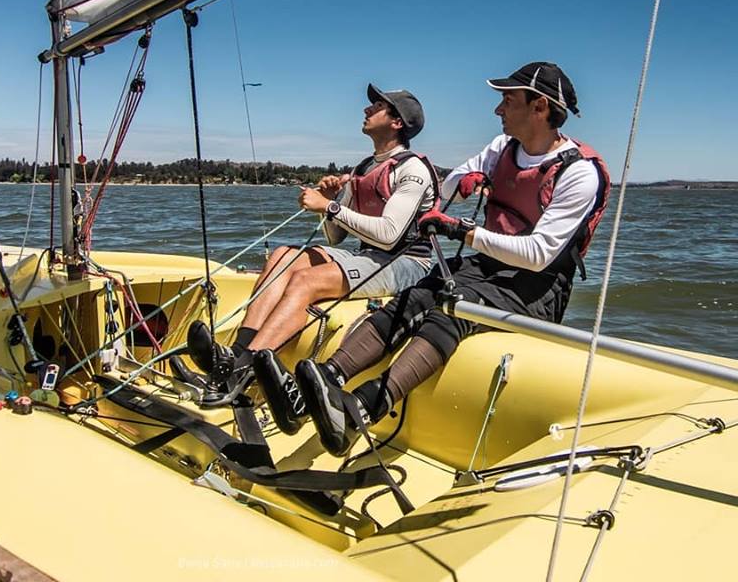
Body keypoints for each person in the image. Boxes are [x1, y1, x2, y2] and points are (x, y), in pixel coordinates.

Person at [281, 62, 610, 456]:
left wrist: (463, 232)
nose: (498, 109)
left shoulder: (578, 173)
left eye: (508, 100)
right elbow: (449, 185)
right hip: (488, 264)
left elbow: (539, 255)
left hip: (537, 285)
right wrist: (466, 181)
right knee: (417, 294)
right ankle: (326, 378)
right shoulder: (502, 148)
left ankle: (363, 408)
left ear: (539, 107)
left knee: (455, 309)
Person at [179, 84, 439, 412]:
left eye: (377, 107)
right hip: (368, 255)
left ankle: (243, 372)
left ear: (397, 122)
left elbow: (389, 235)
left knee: (306, 281)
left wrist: (329, 207)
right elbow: (335, 237)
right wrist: (330, 204)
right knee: (284, 257)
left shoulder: (412, 169)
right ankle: (236, 354)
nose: (367, 109)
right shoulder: (363, 169)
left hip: (406, 263)